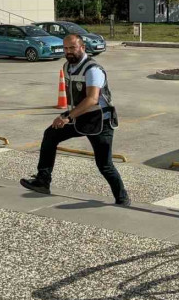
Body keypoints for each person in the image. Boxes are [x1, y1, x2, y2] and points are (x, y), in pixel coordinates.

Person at [20, 34, 129, 206]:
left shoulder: (93, 69)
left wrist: (67, 117)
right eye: (66, 48)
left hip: (99, 121)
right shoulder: (67, 67)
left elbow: (92, 99)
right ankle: (43, 180)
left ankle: (122, 199)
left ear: (82, 48)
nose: (68, 52)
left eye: (72, 48)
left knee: (104, 165)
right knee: (50, 135)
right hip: (79, 116)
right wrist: (68, 115)